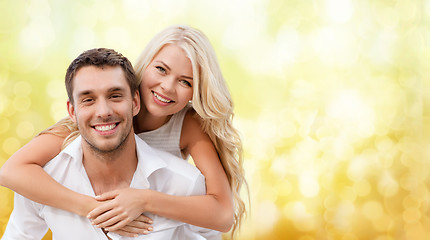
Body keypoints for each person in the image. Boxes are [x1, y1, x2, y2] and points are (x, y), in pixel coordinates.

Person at [0, 25, 247, 238]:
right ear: (145, 66)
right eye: (161, 69)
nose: (168, 87)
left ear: (197, 92)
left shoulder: (188, 127)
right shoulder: (95, 119)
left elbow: (222, 214)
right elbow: (11, 171)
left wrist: (144, 199)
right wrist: (94, 208)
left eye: (186, 82)